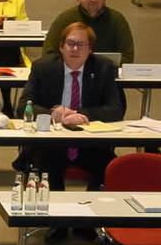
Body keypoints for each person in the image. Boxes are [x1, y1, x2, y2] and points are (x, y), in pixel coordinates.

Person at [16, 23, 126, 215]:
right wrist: (53, 114)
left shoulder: (104, 67)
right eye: (70, 43)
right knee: (47, 167)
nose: (75, 49)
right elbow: (23, 106)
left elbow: (116, 109)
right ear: (61, 47)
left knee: (110, 167)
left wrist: (80, 114)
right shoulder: (43, 68)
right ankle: (55, 220)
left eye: (81, 45)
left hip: (89, 143)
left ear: (90, 49)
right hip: (51, 143)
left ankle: (89, 219)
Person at [36, 0, 133, 65]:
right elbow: (49, 53)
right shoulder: (65, 19)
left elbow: (127, 56)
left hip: (105, 74)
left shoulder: (117, 20)